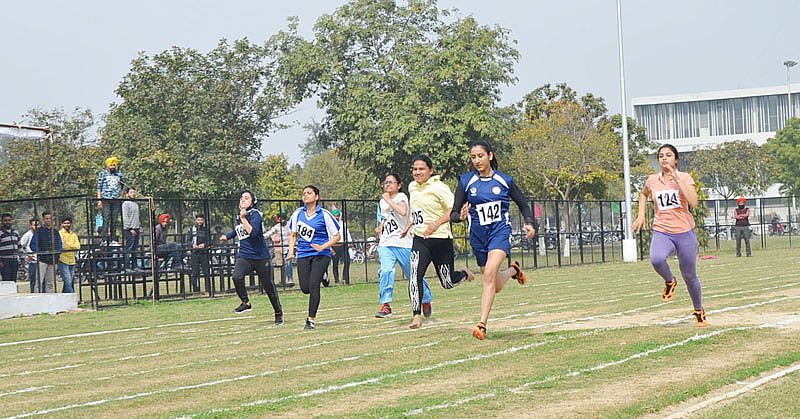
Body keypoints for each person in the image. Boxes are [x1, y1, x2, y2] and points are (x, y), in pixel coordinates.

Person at [450, 141, 536, 340]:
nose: (477, 160)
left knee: (489, 274)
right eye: (473, 157)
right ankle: (513, 270)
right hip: (478, 237)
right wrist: (459, 216)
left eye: (480, 156)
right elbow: (454, 212)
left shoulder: (504, 180)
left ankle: (482, 324)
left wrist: (530, 223)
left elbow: (523, 204)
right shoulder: (466, 181)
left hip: (500, 233)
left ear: (490, 155)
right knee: (495, 284)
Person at [632, 143, 707, 327]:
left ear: (676, 159)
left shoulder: (685, 177)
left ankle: (698, 310)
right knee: (656, 259)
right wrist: (641, 215)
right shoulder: (652, 180)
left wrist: (677, 178)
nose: (664, 158)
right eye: (661, 156)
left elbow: (694, 202)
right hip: (662, 230)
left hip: (685, 232)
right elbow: (643, 195)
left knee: (689, 275)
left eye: (668, 155)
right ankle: (670, 280)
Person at [404, 155, 474, 330]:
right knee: (414, 276)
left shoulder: (439, 187)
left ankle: (464, 274)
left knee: (447, 282)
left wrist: (435, 224)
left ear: (430, 170)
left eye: (421, 169)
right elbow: (416, 210)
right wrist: (410, 225)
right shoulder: (412, 187)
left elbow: (453, 211)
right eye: (415, 169)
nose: (417, 172)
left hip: (441, 240)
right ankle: (416, 315)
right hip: (420, 240)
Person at [219, 190, 284, 325]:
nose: (242, 200)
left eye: (246, 198)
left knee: (268, 286)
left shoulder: (255, 215)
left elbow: (253, 233)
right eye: (241, 197)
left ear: (253, 202)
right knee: (237, 276)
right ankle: (245, 302)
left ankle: (278, 312)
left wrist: (243, 218)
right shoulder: (241, 216)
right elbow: (239, 230)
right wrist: (227, 236)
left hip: (261, 257)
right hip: (245, 255)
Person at [374, 174, 433, 318]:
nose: (387, 185)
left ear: (399, 185)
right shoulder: (382, 202)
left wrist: (388, 199)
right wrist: (381, 226)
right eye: (385, 182)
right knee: (386, 271)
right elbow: (387, 217)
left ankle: (425, 299)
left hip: (403, 243)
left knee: (413, 275)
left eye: (391, 182)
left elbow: (403, 211)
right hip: (386, 243)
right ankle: (386, 304)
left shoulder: (401, 197)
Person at [287, 185, 341, 330]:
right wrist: (291, 252)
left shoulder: (324, 214)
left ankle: (310, 319)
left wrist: (323, 246)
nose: (305, 195)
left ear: (316, 197)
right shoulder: (298, 213)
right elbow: (292, 234)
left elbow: (337, 236)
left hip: (321, 255)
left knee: (313, 285)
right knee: (305, 288)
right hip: (303, 254)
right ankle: (323, 275)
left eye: (309, 193)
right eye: (304, 193)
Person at [31, 211, 62, 293]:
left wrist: (57, 254)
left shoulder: (55, 231)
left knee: (50, 283)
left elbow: (59, 244)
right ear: (44, 220)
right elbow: (33, 245)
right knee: (39, 282)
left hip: (53, 260)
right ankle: (37, 300)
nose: (49, 220)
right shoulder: (39, 231)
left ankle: (50, 301)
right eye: (47, 218)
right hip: (42, 260)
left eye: (50, 218)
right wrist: (41, 252)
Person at [96, 156, 126, 242]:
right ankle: (104, 239)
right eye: (111, 165)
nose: (112, 167)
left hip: (116, 199)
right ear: (108, 166)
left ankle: (113, 239)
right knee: (106, 217)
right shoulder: (103, 174)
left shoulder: (119, 174)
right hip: (106, 198)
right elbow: (99, 187)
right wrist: (99, 200)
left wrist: (121, 195)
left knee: (114, 219)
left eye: (114, 165)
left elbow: (123, 186)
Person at [265, 213, 294, 287]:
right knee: (280, 264)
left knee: (288, 263)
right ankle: (282, 280)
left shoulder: (290, 226)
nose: (281, 221)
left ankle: (290, 279)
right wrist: (260, 237)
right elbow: (269, 233)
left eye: (282, 219)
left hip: (289, 247)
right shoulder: (277, 227)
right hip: (281, 248)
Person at [188, 214, 211, 293]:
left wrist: (204, 245)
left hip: (204, 253)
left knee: (206, 272)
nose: (200, 222)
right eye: (198, 220)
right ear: (196, 221)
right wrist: (192, 245)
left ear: (203, 221)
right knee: (195, 272)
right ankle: (196, 291)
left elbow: (209, 241)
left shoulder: (206, 230)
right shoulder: (192, 229)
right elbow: (188, 241)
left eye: (201, 220)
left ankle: (208, 290)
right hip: (195, 253)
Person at [329, 208, 353, 285]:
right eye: (335, 216)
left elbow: (347, 233)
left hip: (343, 245)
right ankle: (336, 280)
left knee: (347, 261)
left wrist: (350, 242)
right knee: (335, 264)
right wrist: (330, 247)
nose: (336, 217)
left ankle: (345, 279)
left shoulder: (343, 224)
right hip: (334, 246)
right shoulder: (329, 224)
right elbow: (328, 236)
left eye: (338, 215)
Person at [58, 217, 81, 293]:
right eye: (65, 223)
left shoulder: (73, 234)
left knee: (69, 281)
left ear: (71, 224)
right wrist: (71, 246)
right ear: (62, 224)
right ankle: (72, 298)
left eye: (68, 223)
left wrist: (69, 245)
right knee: (68, 281)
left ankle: (63, 299)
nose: (66, 225)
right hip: (63, 260)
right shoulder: (60, 234)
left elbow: (77, 246)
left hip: (72, 260)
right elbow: (62, 246)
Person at [122, 187, 141, 270]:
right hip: (129, 229)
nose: (133, 193)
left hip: (136, 228)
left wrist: (139, 226)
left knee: (135, 248)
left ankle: (135, 265)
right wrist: (130, 228)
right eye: (131, 192)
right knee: (129, 248)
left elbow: (137, 216)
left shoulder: (136, 203)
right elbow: (125, 217)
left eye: (134, 192)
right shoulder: (126, 204)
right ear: (127, 194)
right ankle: (127, 267)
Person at [0, 213, 23, 282]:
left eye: (9, 220)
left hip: (14, 260)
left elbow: (19, 245)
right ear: (2, 221)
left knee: (13, 280)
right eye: (5, 220)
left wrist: (22, 258)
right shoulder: (0, 232)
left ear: (11, 221)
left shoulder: (15, 232)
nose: (7, 222)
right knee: (7, 281)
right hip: (5, 261)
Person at [19, 219, 38, 292]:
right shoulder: (27, 235)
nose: (36, 227)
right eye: (34, 225)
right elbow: (21, 246)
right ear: (31, 226)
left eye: (37, 225)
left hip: (40, 260)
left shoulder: (39, 234)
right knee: (33, 279)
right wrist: (27, 256)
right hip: (32, 261)